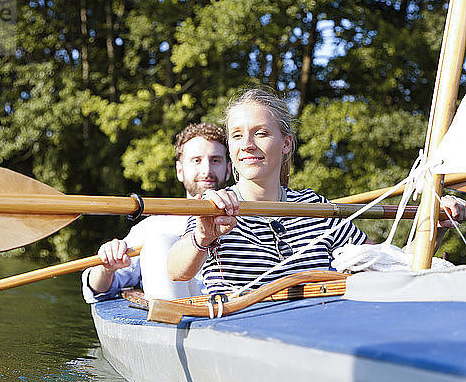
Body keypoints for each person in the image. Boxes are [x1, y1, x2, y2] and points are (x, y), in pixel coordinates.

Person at [168, 88, 466, 295]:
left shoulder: (314, 206)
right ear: (231, 148)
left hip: (322, 337)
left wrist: (434, 226)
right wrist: (202, 237)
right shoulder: (214, 206)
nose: (247, 144)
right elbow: (177, 271)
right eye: (237, 135)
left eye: (260, 133)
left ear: (285, 144)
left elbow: (390, 264)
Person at [81, 123, 231, 303]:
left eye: (215, 160)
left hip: (242, 317)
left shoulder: (250, 220)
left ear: (228, 169)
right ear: (180, 171)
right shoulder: (152, 227)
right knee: (160, 243)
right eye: (196, 160)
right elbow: (97, 290)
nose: (206, 171)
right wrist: (106, 267)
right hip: (181, 318)